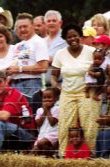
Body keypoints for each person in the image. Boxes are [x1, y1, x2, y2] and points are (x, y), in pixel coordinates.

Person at [51, 24, 99, 157]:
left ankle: (91, 157)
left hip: (87, 93)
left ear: (80, 36)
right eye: (69, 37)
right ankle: (64, 156)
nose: (73, 39)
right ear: (65, 39)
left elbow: (102, 67)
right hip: (67, 93)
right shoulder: (60, 54)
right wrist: (56, 85)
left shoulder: (91, 51)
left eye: (75, 36)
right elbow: (54, 75)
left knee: (89, 126)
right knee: (65, 126)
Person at [6, 13, 49, 102]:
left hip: (31, 83)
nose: (22, 29)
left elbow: (43, 67)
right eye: (19, 27)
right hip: (14, 84)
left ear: (33, 26)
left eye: (25, 26)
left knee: (30, 113)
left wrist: (19, 69)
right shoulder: (17, 45)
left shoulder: (39, 42)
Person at [32, 88, 59, 156]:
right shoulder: (39, 110)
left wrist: (48, 110)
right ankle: (48, 155)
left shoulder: (57, 109)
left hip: (53, 134)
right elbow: (38, 123)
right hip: (42, 134)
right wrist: (44, 110)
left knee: (41, 143)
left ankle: (50, 153)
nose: (47, 99)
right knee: (34, 150)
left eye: (49, 97)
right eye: (44, 98)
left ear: (55, 99)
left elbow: (52, 123)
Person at [43, 10, 67, 87]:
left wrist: (51, 59)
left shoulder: (67, 38)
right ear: (45, 24)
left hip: (62, 82)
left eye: (54, 21)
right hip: (45, 84)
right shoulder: (42, 41)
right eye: (48, 21)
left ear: (60, 23)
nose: (51, 23)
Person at [96, 85, 110, 158]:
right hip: (104, 130)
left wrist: (105, 120)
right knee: (100, 133)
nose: (108, 96)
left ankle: (104, 157)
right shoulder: (105, 103)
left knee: (105, 135)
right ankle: (98, 157)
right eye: (107, 94)